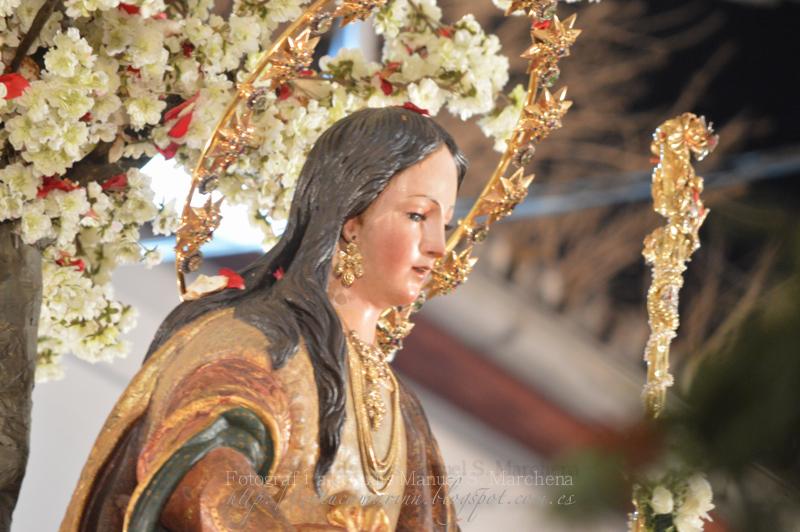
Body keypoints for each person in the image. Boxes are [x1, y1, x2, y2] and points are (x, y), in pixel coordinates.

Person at [61, 106, 467, 531]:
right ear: (352, 218)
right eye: (418, 216)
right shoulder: (257, 346)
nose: (439, 245)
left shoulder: (403, 412)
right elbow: (202, 478)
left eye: (447, 223)